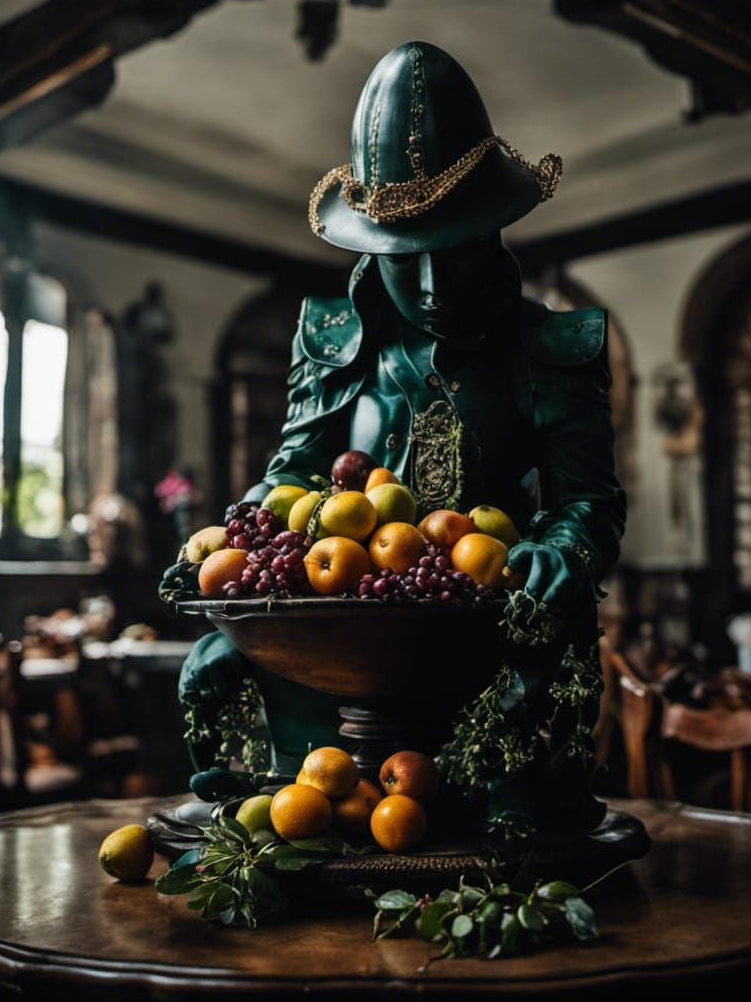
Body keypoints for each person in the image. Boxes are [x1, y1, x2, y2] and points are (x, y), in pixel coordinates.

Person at [179, 41, 625, 835]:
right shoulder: (332, 339)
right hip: (343, 633)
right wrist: (231, 573)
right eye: (401, 258)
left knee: (513, 820)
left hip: (484, 632)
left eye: (452, 254)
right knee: (245, 751)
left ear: (494, 233)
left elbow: (587, 504)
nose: (429, 287)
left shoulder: (550, 351)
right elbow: (288, 482)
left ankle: (505, 801)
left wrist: (560, 552)